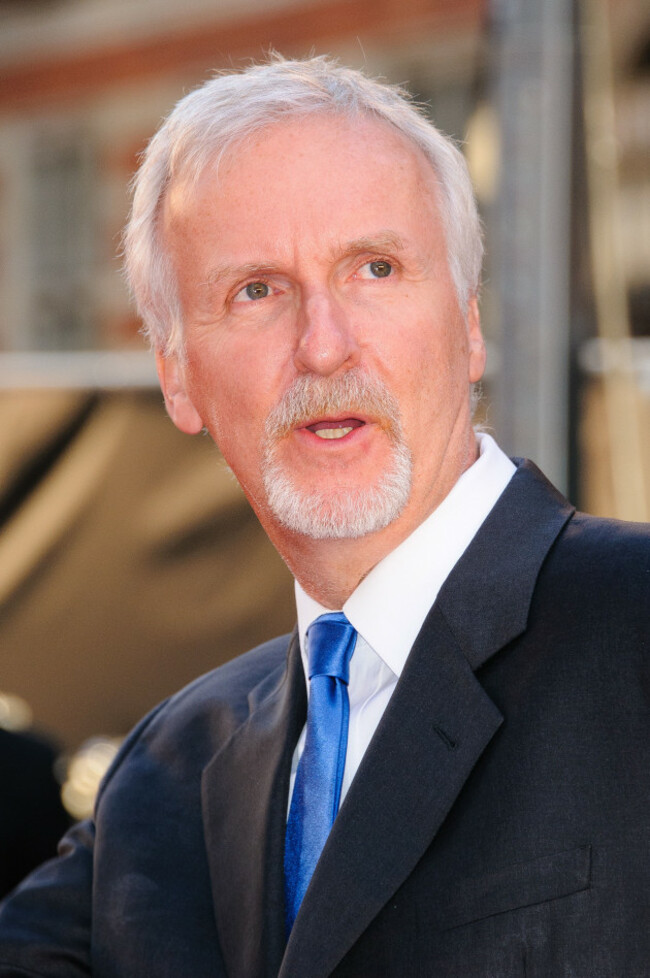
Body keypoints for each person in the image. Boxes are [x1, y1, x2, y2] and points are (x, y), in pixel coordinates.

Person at [0, 54, 648, 978]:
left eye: (375, 269)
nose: (324, 345)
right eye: (255, 291)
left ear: (468, 324)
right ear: (177, 374)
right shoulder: (163, 777)